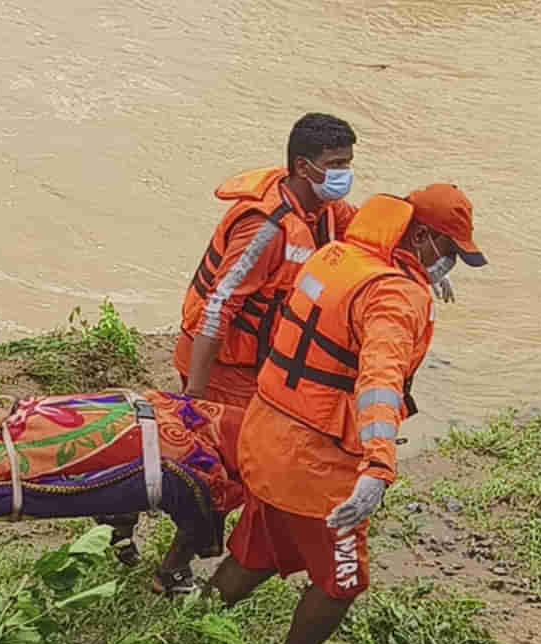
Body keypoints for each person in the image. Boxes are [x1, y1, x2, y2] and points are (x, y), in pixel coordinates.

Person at [207, 184, 486, 644]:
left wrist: (412, 273)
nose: (448, 264)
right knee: (344, 580)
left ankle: (187, 626)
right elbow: (380, 384)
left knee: (259, 547)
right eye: (447, 251)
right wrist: (378, 468)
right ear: (420, 237)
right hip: (316, 464)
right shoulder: (395, 297)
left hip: (268, 436)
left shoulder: (336, 255)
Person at [104, 113, 362, 590]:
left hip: (259, 369)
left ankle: (124, 513)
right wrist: (196, 396)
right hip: (221, 366)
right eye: (336, 164)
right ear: (303, 167)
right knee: (225, 475)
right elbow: (219, 306)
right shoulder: (266, 227)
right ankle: (170, 567)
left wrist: (422, 261)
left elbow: (372, 231)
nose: (345, 174)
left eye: (348, 162)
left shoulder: (325, 212)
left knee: (210, 465)